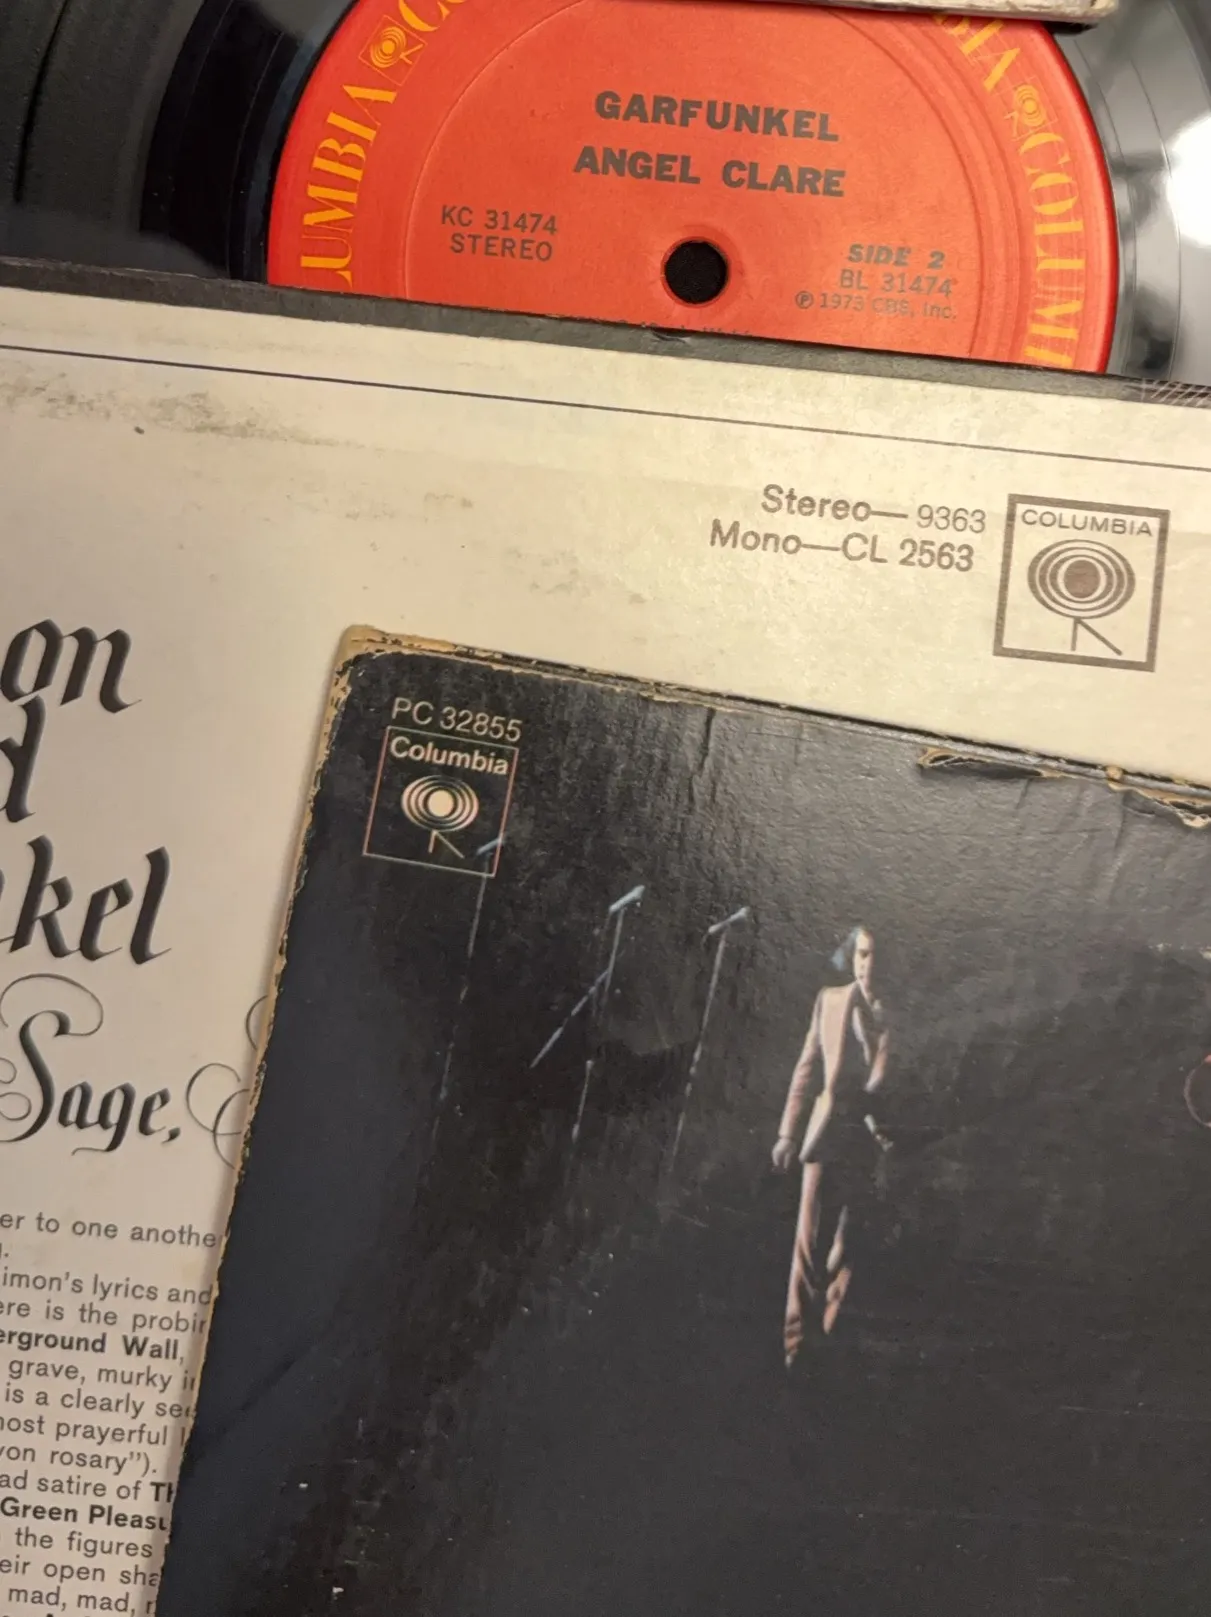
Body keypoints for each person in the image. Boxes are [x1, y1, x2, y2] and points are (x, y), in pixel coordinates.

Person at [772, 925, 890, 1365]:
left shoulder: (898, 1014)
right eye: (862, 954)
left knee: (849, 1245)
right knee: (808, 1244)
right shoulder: (830, 1000)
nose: (867, 964)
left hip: (870, 1140)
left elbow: (892, 1079)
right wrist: (787, 1133)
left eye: (875, 956)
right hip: (825, 1134)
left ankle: (830, 1335)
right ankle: (796, 1347)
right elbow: (806, 1068)